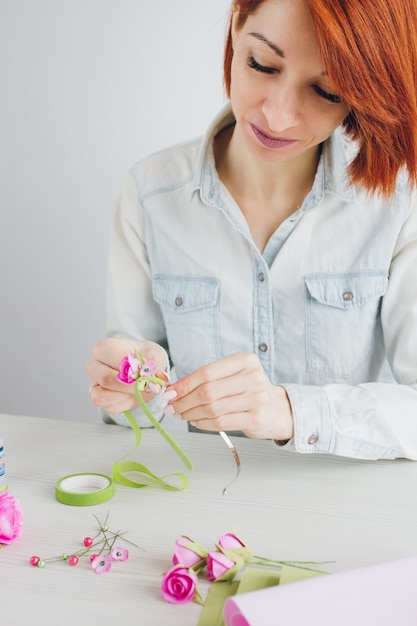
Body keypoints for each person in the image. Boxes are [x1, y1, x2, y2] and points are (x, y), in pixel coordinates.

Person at [86, 0, 417, 460]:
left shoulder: (398, 203)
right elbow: (131, 415)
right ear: (237, 23)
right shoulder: (151, 193)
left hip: (349, 509)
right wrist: (129, 386)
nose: (279, 116)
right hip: (204, 508)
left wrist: (290, 411)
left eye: (327, 91)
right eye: (262, 65)